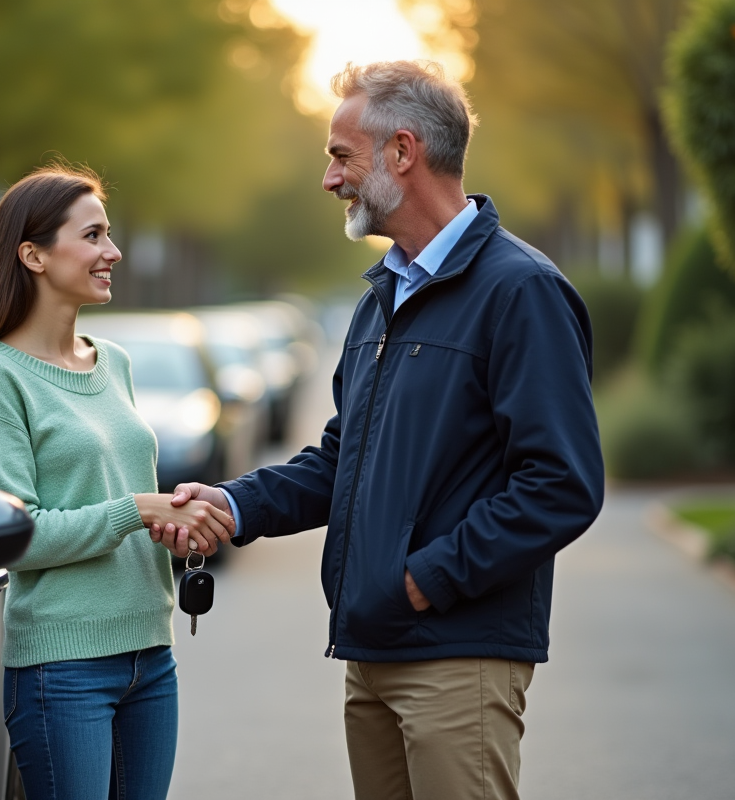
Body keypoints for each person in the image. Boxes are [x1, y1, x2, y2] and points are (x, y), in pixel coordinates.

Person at [157, 61, 605, 800]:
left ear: (403, 152)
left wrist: (426, 581)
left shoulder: (520, 290)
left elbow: (562, 485)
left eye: (340, 156)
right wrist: (233, 506)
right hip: (373, 651)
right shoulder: (382, 299)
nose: (329, 180)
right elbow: (344, 459)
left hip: (457, 657)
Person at [0, 164, 234, 800]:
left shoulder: (114, 362)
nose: (113, 252)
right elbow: (16, 537)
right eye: (94, 235)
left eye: (110, 235)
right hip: (60, 669)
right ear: (33, 255)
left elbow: (124, 502)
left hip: (150, 656)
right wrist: (137, 508)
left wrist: (172, 530)